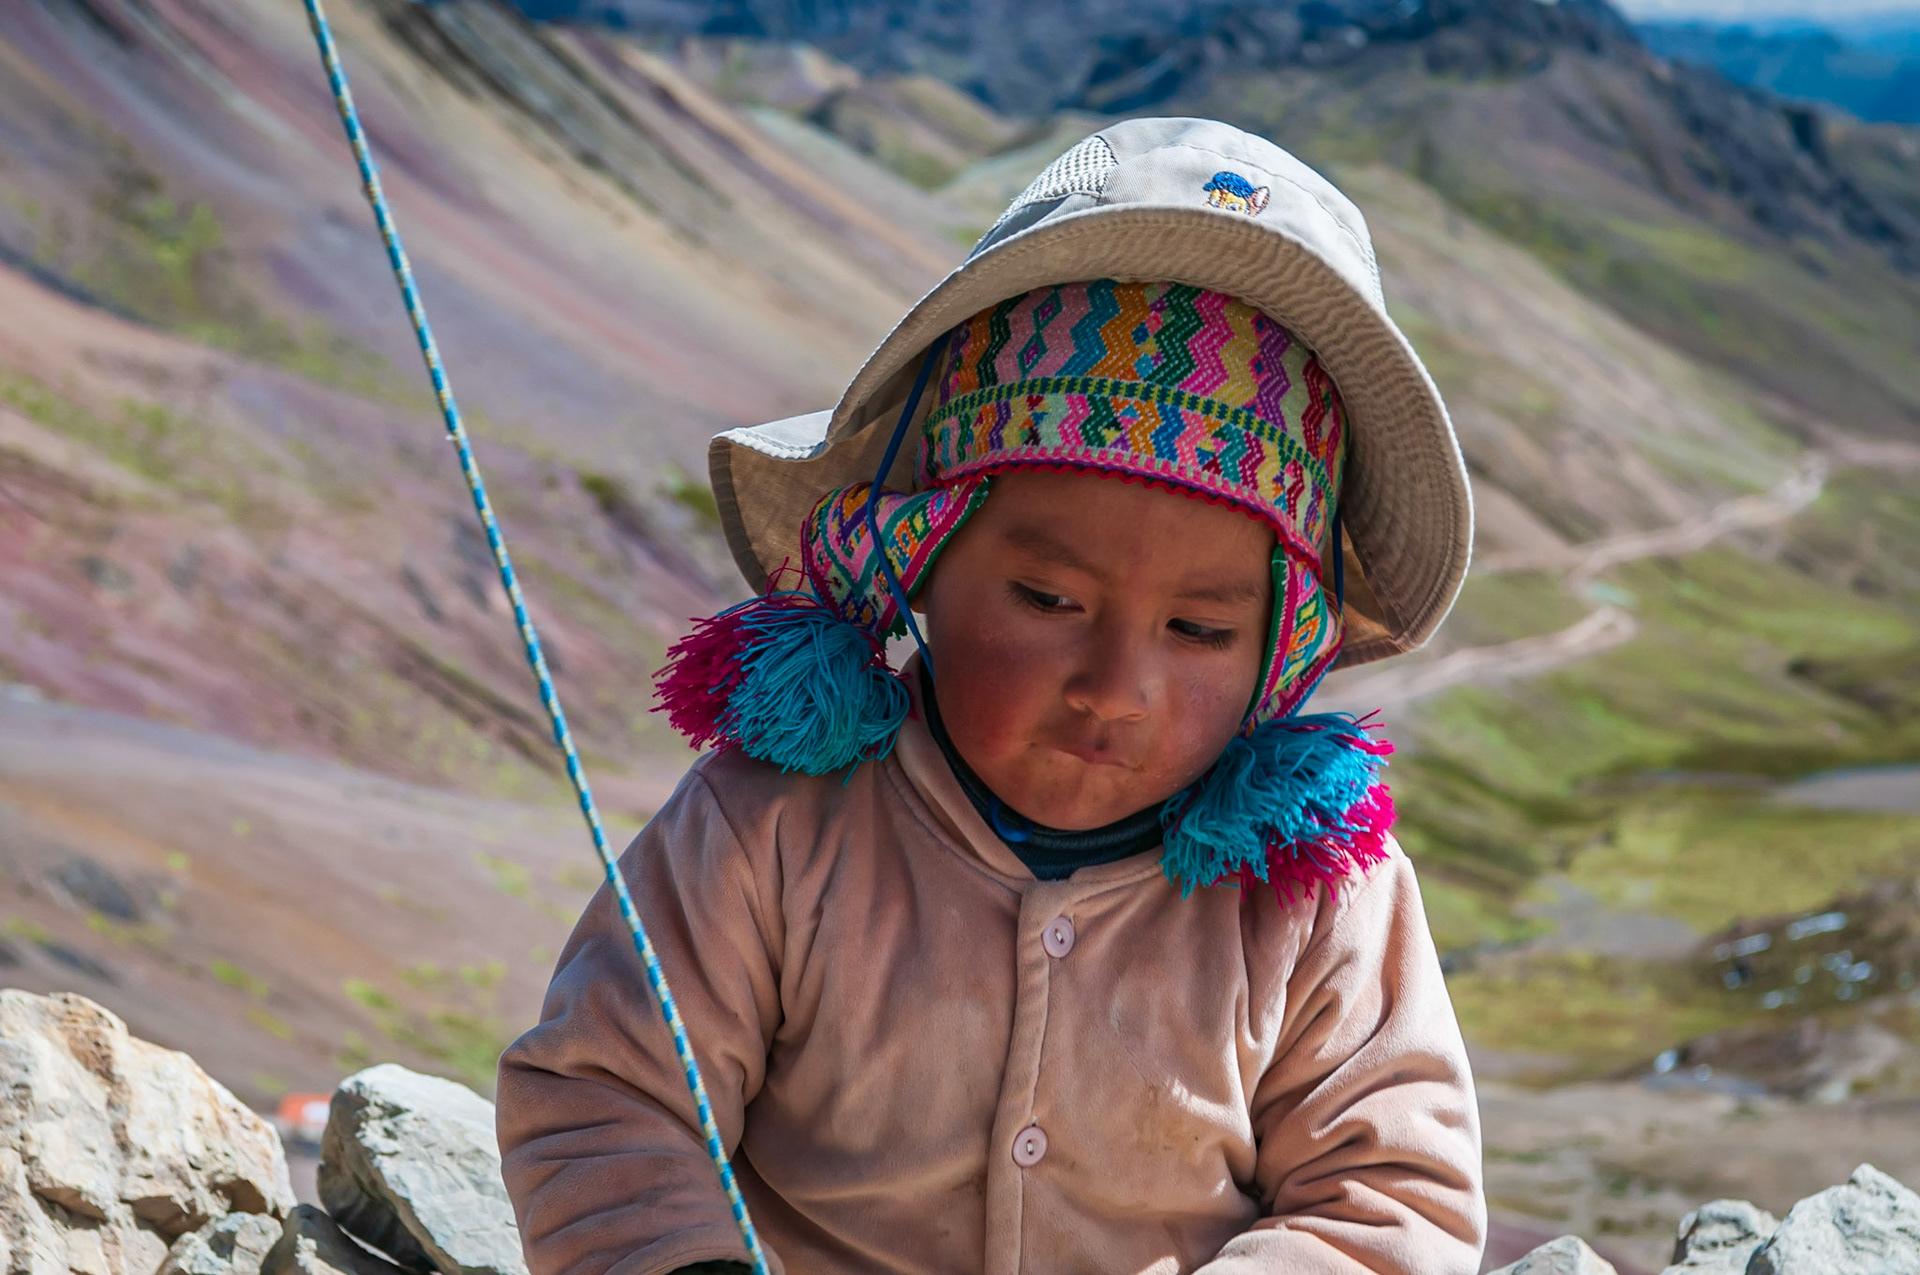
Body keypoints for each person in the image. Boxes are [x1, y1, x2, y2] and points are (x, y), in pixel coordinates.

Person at [497, 117, 1485, 1275]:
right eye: (1048, 600)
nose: (1116, 689)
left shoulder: (1317, 901)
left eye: (1201, 630)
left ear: (1282, 648)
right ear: (925, 561)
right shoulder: (772, 822)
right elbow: (609, 1102)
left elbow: (1390, 1200)